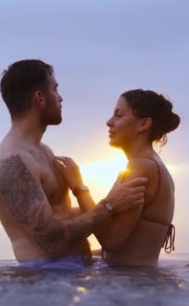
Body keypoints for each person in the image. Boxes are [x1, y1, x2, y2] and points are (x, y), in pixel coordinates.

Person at [0, 59, 148, 270]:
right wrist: (109, 205)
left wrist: (83, 190)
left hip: (70, 272)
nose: (61, 97)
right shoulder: (13, 162)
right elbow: (49, 239)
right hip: (45, 281)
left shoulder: (42, 151)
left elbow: (60, 214)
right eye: (55, 89)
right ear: (39, 98)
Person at [54, 89, 180, 267]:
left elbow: (111, 242)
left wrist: (78, 187)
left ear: (144, 124)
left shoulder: (141, 167)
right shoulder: (151, 165)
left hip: (129, 286)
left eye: (118, 115)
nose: (109, 122)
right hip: (141, 284)